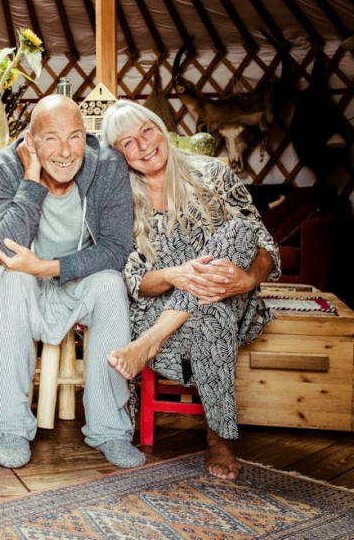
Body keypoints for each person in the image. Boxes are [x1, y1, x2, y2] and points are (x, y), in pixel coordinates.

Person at [101, 100, 281, 480]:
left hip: (229, 298)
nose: (144, 145)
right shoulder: (120, 198)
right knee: (210, 312)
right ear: (118, 154)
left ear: (160, 127)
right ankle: (221, 438)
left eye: (147, 130)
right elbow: (133, 280)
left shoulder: (213, 173)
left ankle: (150, 341)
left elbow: (263, 242)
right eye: (128, 143)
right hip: (163, 308)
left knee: (238, 233)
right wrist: (173, 275)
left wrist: (248, 279)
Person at [0, 94, 144, 470]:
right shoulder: (3, 165)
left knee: (109, 284)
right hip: (21, 288)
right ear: (31, 141)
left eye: (75, 136)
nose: (67, 151)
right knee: (13, 278)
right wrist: (30, 178)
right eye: (51, 138)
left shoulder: (107, 165)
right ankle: (9, 426)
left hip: (76, 280)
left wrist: (47, 267)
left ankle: (109, 430)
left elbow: (117, 250)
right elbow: (9, 246)